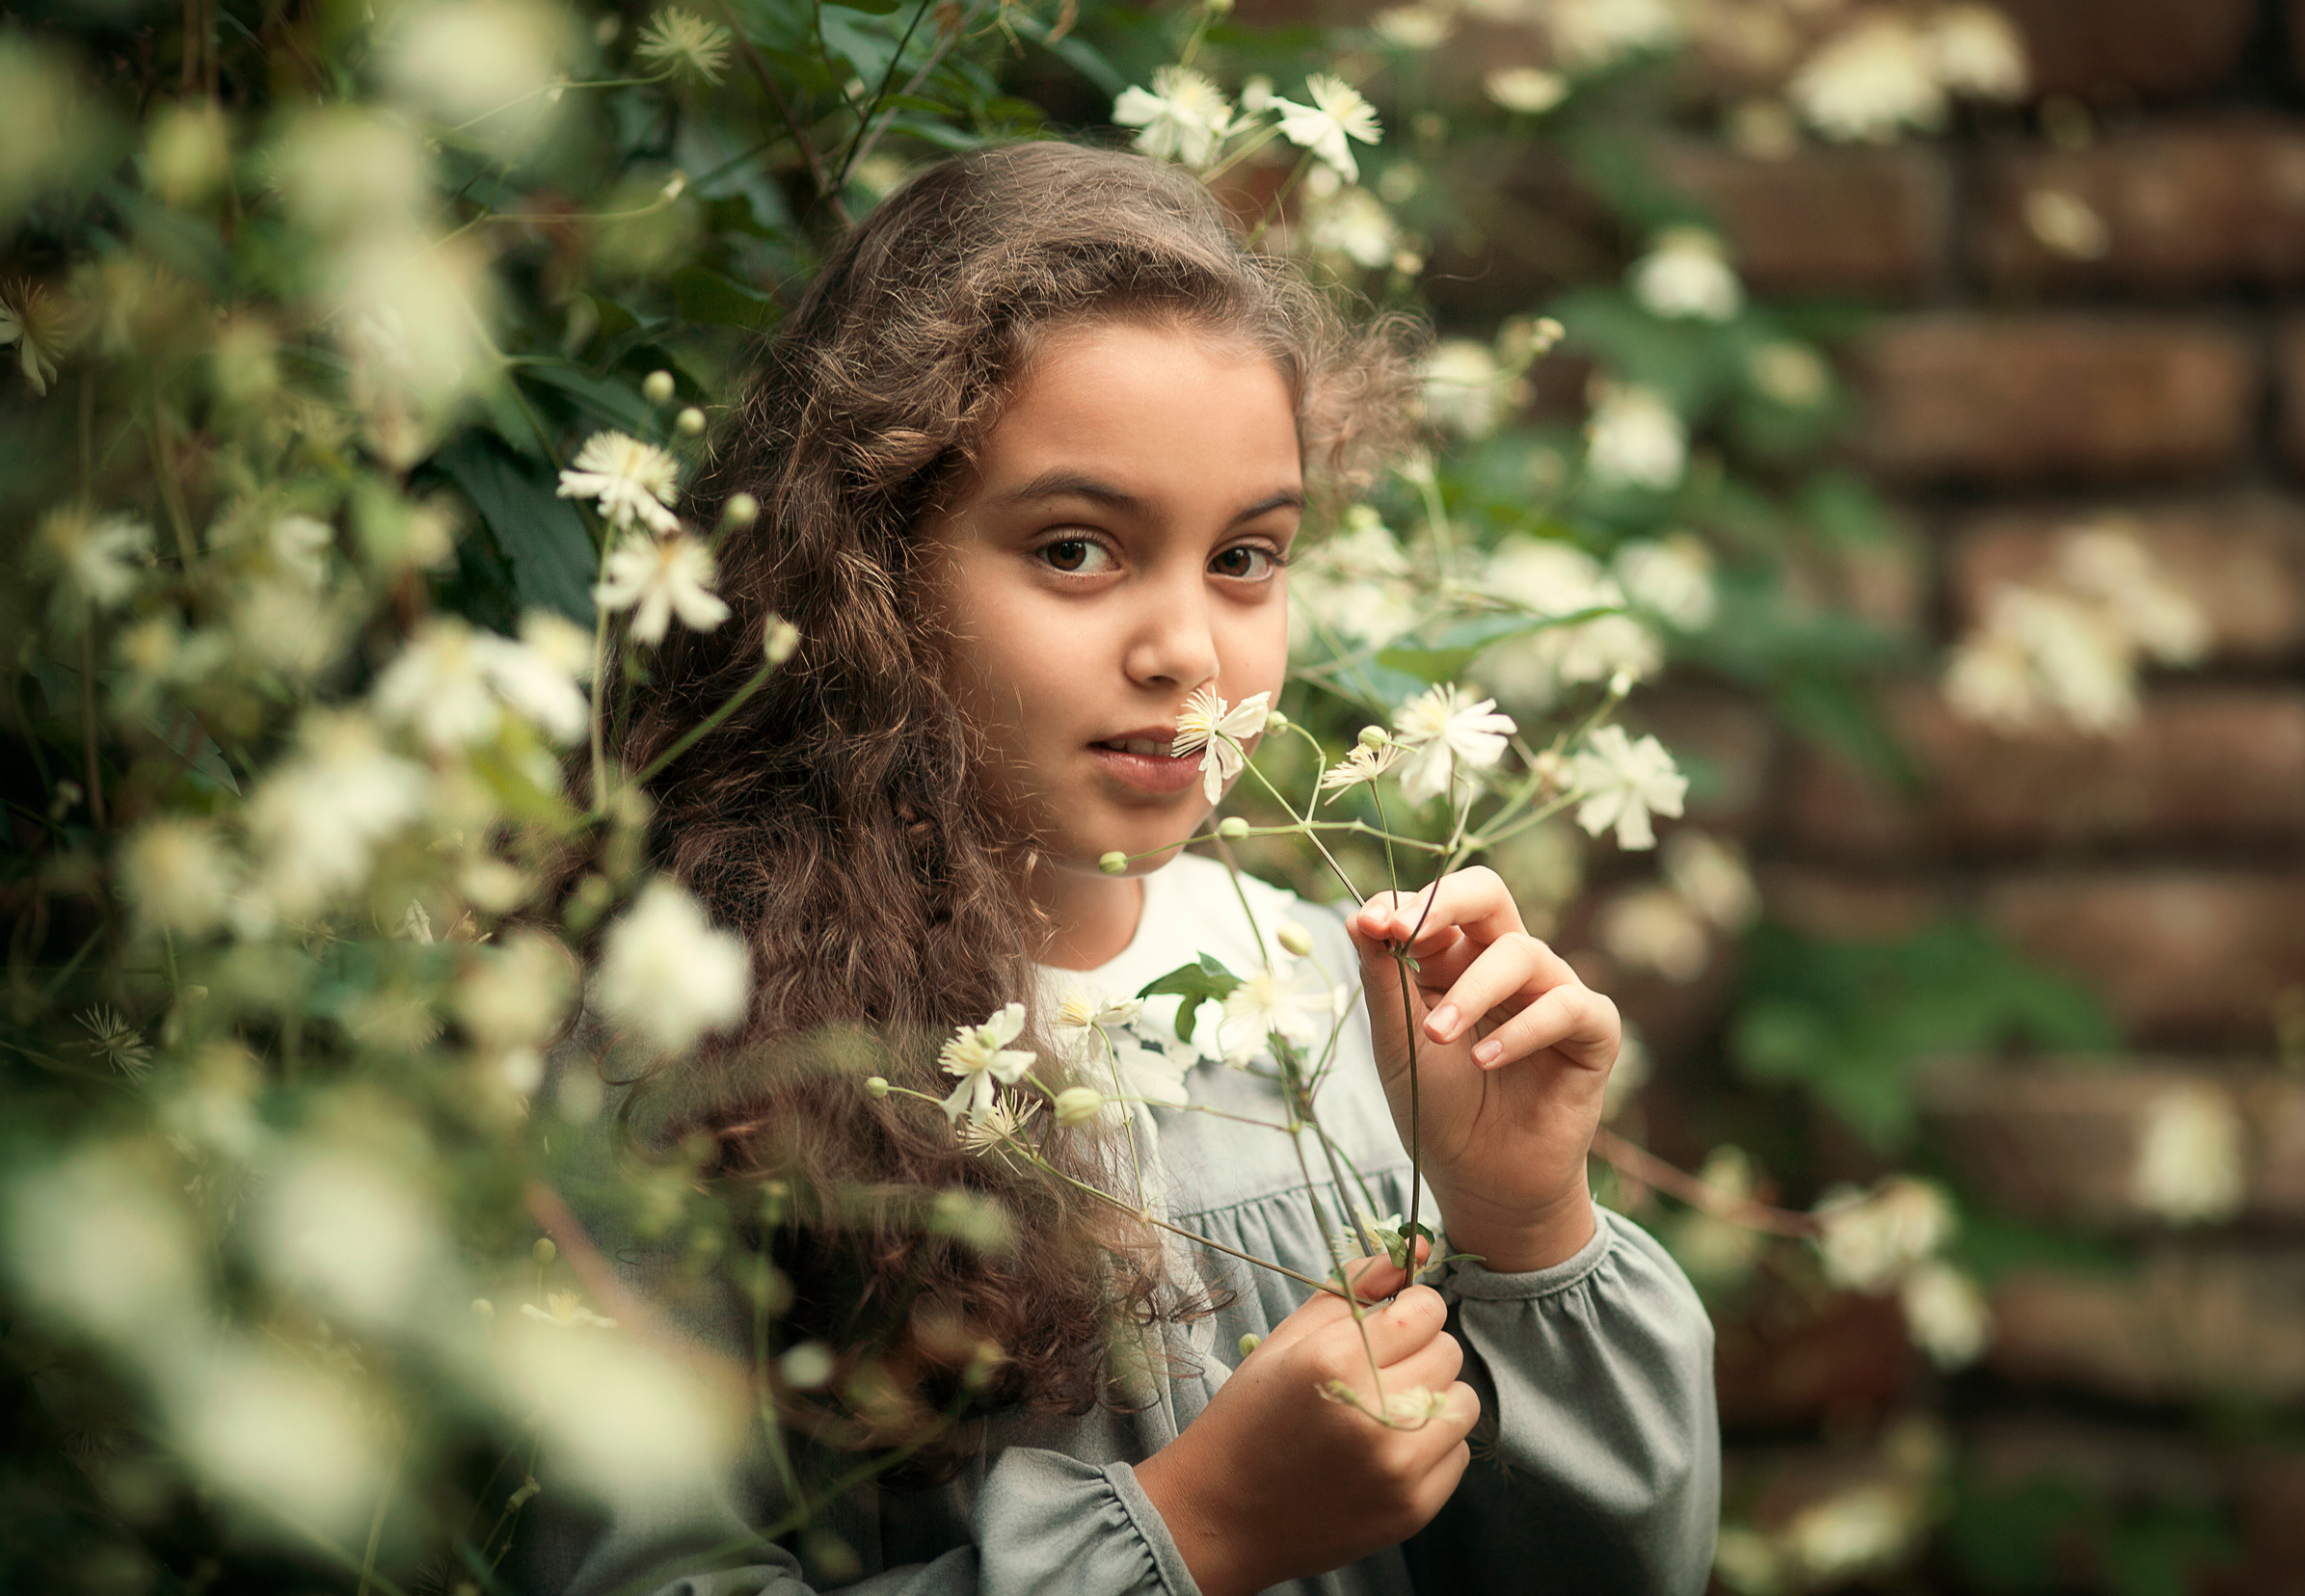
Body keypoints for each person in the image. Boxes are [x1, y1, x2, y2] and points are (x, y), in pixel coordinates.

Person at [522, 140, 1717, 1596]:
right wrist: (1188, 1538)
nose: (1189, 655)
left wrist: (1524, 1225)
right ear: (870, 563)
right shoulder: (702, 1053)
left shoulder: (1346, 1011)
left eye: (1246, 558)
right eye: (1078, 550)